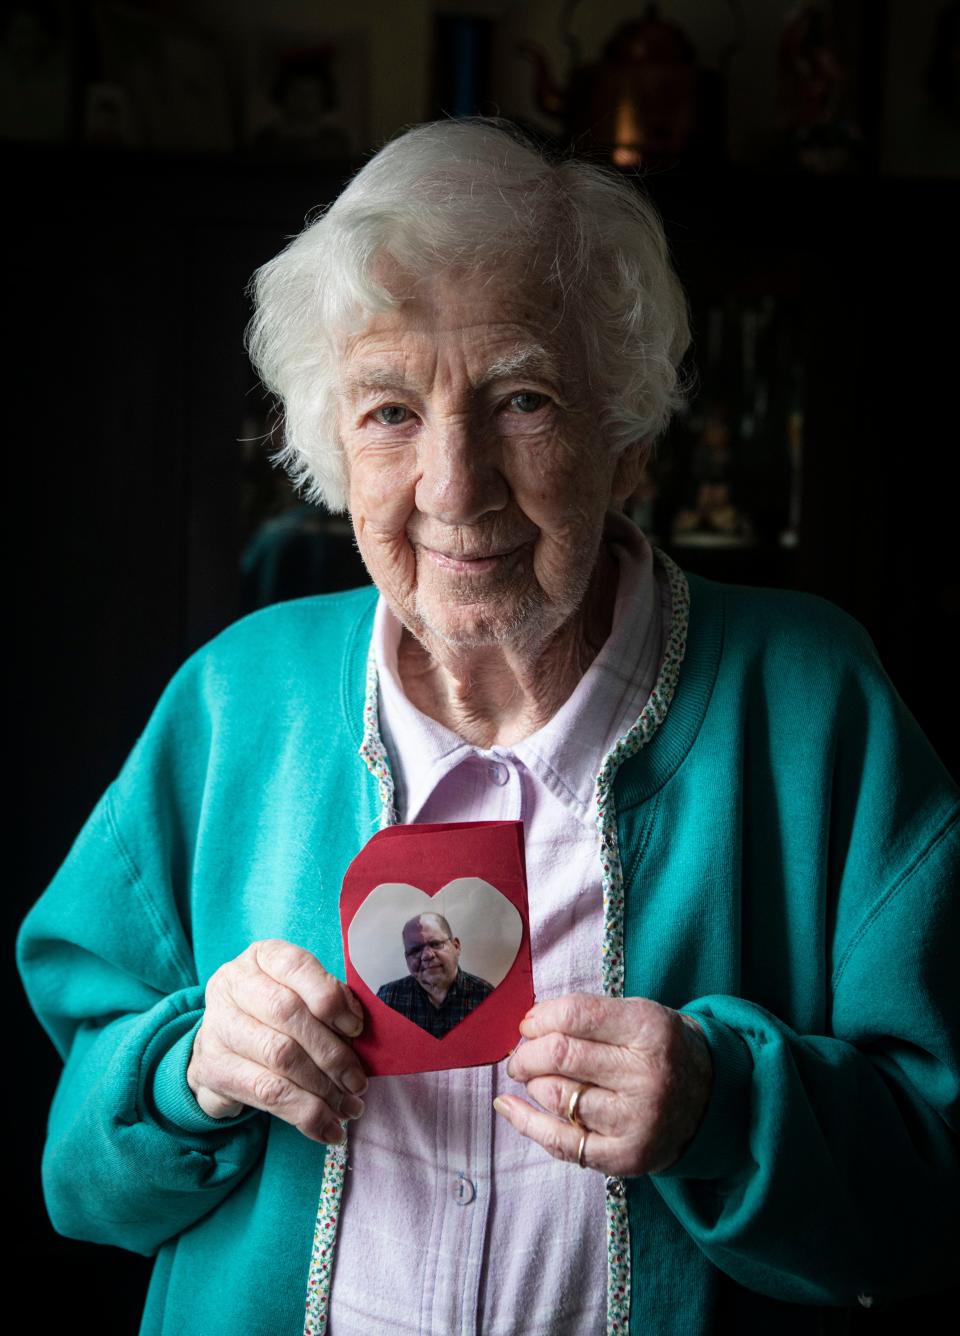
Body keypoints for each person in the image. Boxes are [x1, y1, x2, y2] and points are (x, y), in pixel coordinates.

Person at [17, 118, 958, 1336]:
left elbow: (935, 1192)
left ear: (627, 435)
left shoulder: (815, 699)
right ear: (330, 447)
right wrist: (188, 1071)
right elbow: (79, 1179)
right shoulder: (230, 700)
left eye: (522, 398)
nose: (454, 486)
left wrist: (728, 1107)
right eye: (390, 411)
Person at [375, 912, 494, 1036]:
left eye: (436, 944)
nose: (427, 955)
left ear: (456, 946)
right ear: (406, 958)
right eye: (415, 950)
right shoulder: (388, 998)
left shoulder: (486, 996)